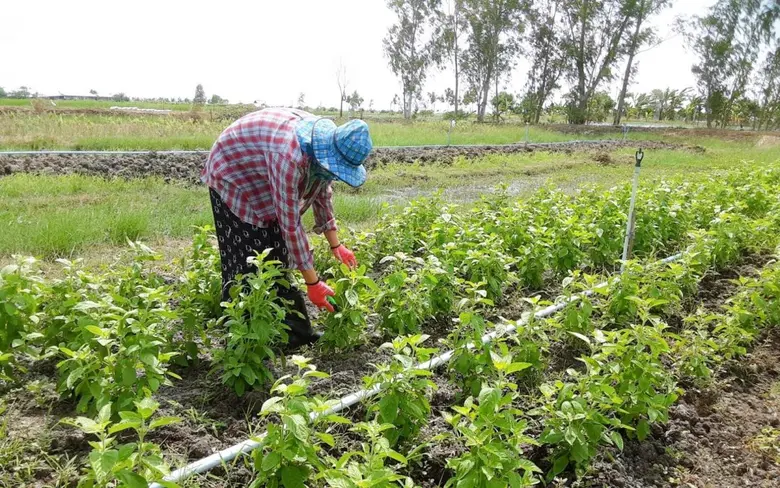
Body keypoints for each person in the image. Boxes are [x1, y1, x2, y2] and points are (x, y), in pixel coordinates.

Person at [201, 107, 372, 348]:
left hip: (262, 170)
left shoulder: (322, 152)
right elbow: (290, 225)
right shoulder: (289, 156)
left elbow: (322, 193)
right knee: (247, 263)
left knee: (279, 259)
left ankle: (297, 335)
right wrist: (313, 283)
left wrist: (336, 245)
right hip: (233, 174)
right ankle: (241, 343)